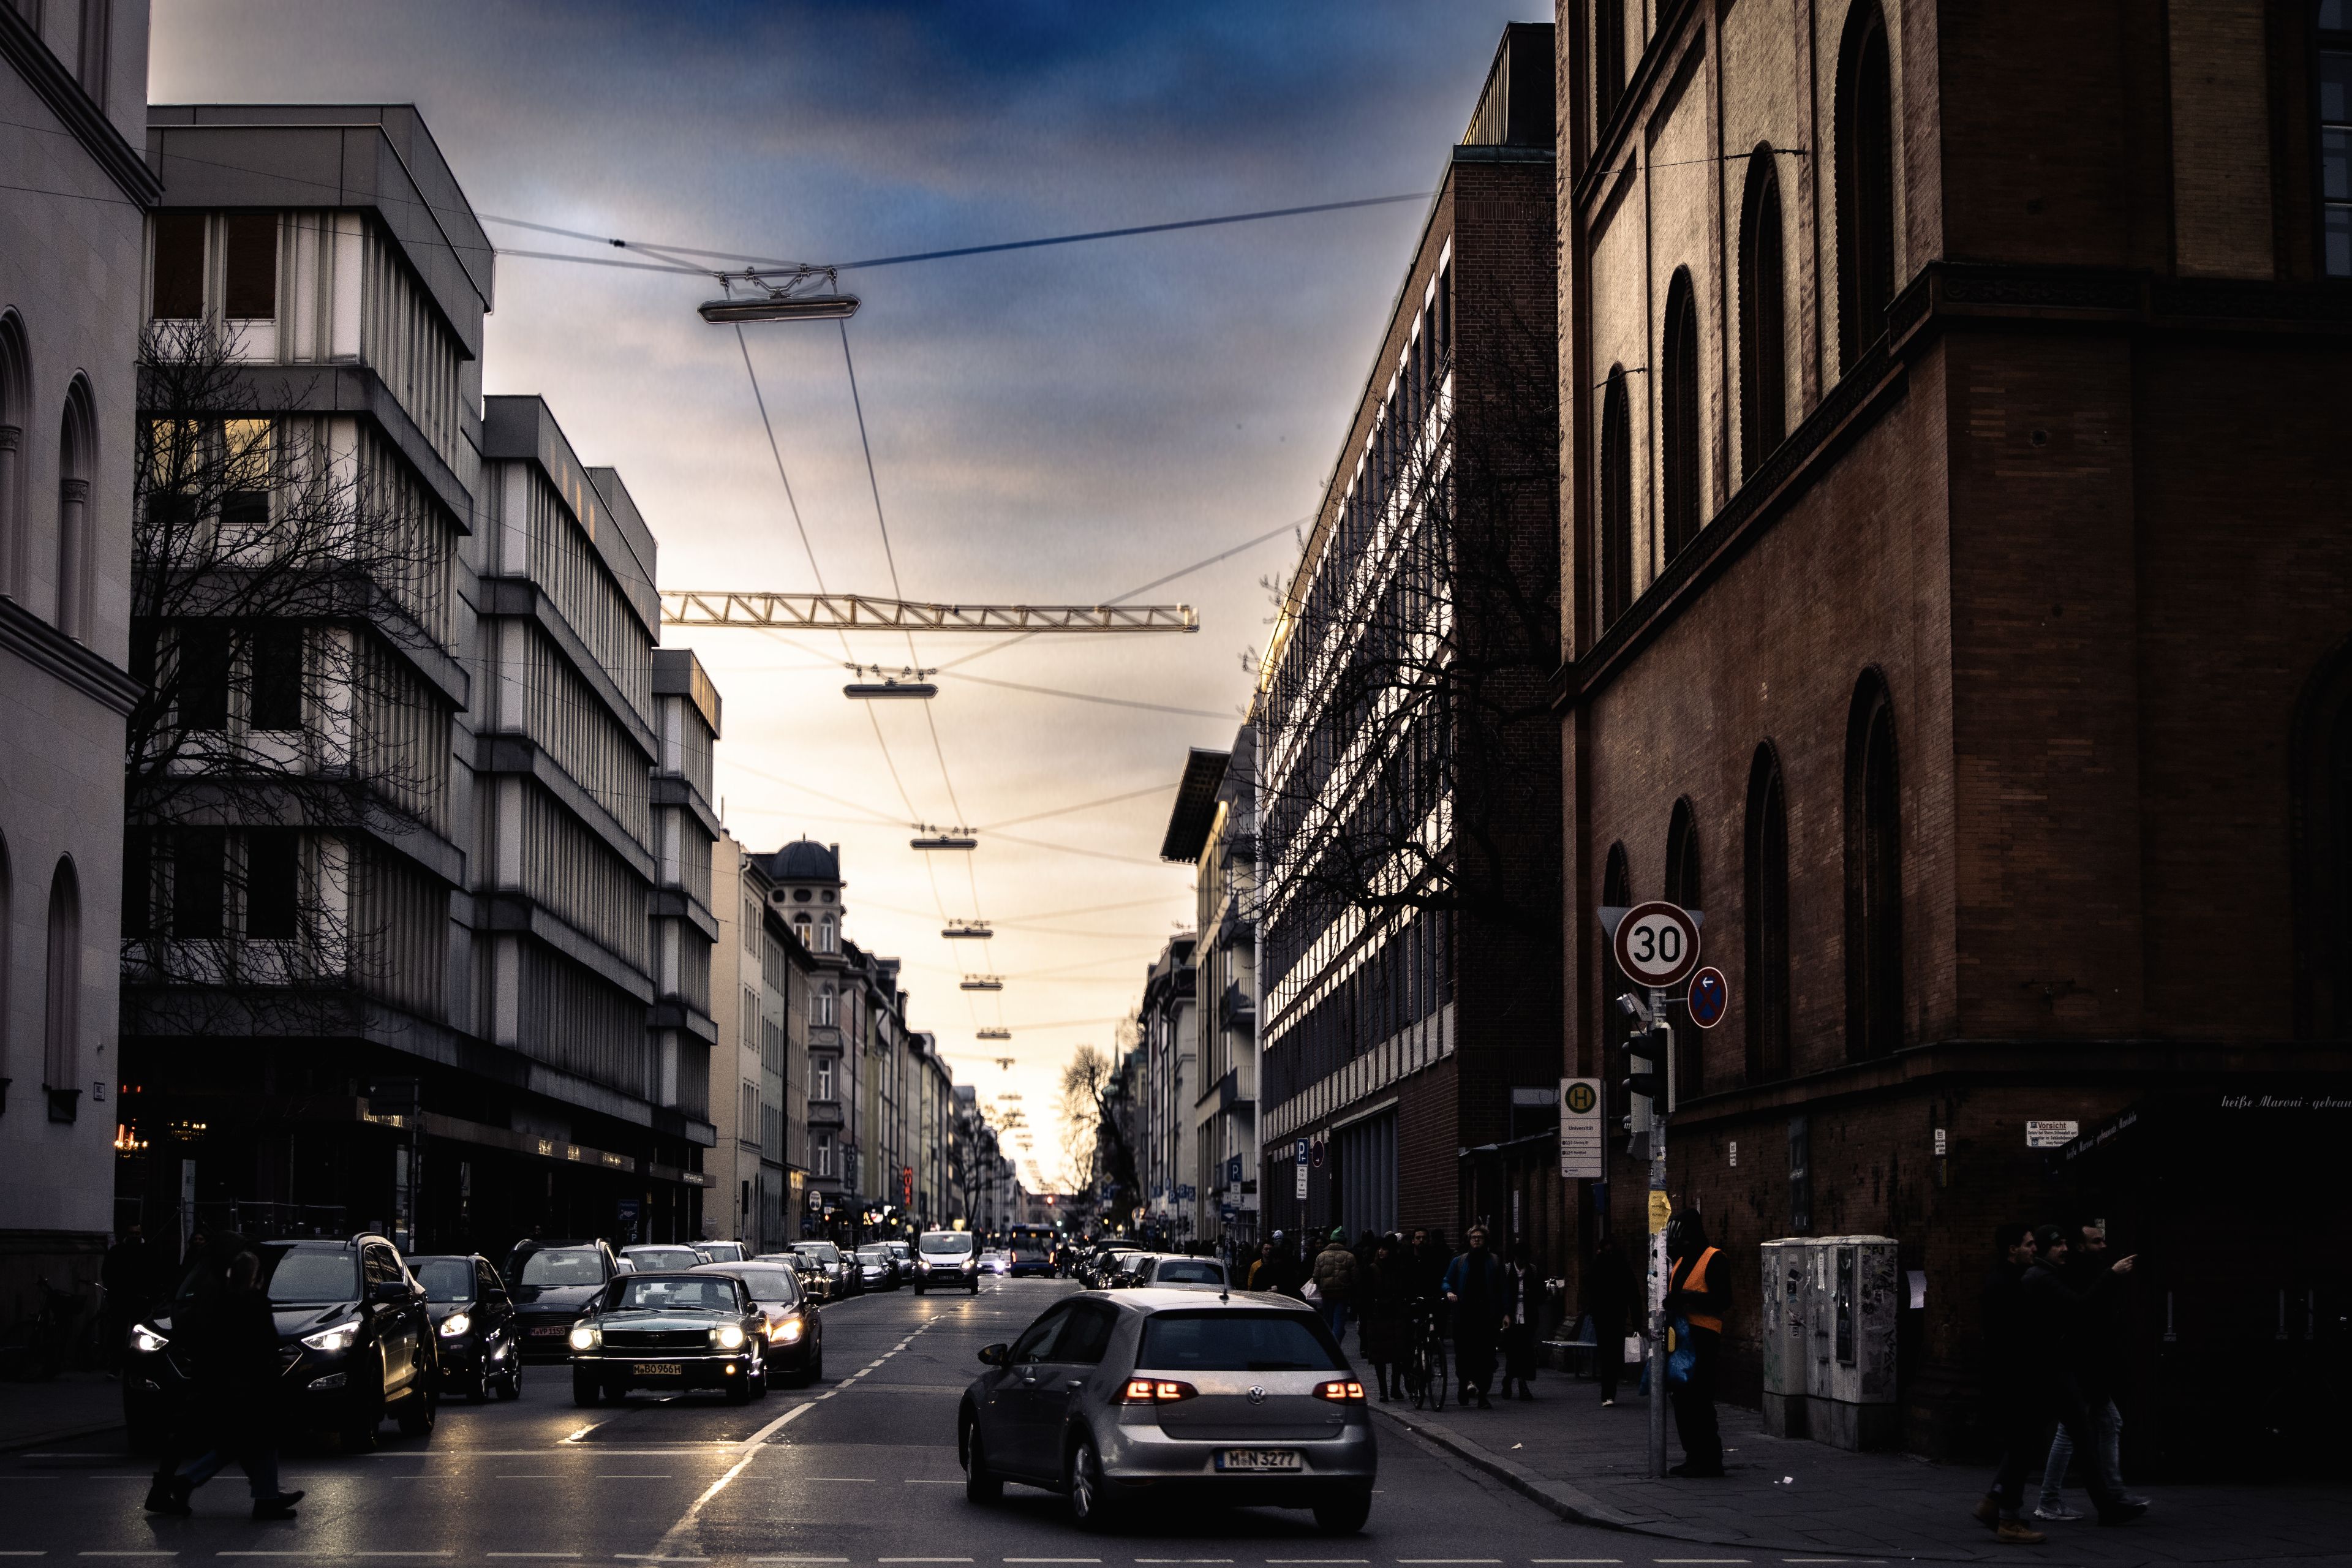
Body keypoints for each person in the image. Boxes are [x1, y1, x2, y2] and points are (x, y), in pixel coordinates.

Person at [152, 1251, 303, 1521]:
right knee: (258, 1441)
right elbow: (267, 1347)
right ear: (256, 1276)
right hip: (254, 1386)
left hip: (224, 1384)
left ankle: (261, 1495)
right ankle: (261, 1497)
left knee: (239, 1442)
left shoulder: (220, 1303)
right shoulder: (257, 1303)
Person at [2017, 1227, 2143, 1528]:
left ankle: (2109, 1498)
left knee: (2098, 1426)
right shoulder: (2052, 1276)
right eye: (2056, 1244)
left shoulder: (2056, 1273)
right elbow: (2081, 1309)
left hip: (2076, 1366)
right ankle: (2052, 1500)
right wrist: (2111, 1275)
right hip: (2074, 1367)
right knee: (2069, 1433)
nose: (2104, 1245)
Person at [1972, 1223, 2048, 1544]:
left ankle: (1994, 1503)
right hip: (2012, 1381)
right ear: (2012, 1249)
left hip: (2012, 1378)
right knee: (2021, 1447)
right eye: (2029, 1244)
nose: (2034, 1249)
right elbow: (2010, 1340)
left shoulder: (2010, 1280)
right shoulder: (2004, 1284)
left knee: (2022, 1446)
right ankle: (2008, 1518)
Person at [1661, 1212, 1725, 1477]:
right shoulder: (1681, 1261)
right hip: (1681, 1337)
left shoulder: (1715, 1258)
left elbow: (1723, 1301)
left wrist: (1686, 1299)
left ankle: (1710, 1458)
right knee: (1682, 1398)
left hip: (1704, 1338)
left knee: (1699, 1398)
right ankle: (1693, 1455)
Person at [1442, 1225, 1507, 1409]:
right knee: (1464, 1355)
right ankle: (1464, 1385)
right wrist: (1449, 1292)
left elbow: (1503, 1289)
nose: (1477, 1240)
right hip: (1464, 1316)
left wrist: (1506, 1313)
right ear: (1469, 1241)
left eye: (1480, 1237)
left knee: (1486, 1356)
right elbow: (1447, 1280)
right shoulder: (1460, 1261)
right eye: (1473, 1237)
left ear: (1486, 1240)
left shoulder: (1494, 1261)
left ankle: (1483, 1395)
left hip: (1487, 1316)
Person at [1581, 1235, 1637, 1408]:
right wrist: (1636, 1321)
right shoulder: (1622, 1266)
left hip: (1603, 1318)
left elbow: (1588, 1284)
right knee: (1612, 1354)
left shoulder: (1598, 1265)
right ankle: (1610, 1391)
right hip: (1616, 1316)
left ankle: (1607, 1394)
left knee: (1606, 1355)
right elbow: (1633, 1294)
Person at [1357, 1235, 1412, 1402]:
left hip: (1394, 1314)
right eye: (1380, 1249)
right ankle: (1384, 1391)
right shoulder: (1372, 1269)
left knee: (1397, 1354)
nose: (1381, 1251)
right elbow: (1363, 1295)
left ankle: (1395, 1388)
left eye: (1385, 1249)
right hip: (1378, 1315)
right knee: (1380, 1355)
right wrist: (1364, 1316)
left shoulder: (1399, 1268)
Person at [100, 1224, 153, 1373]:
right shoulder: (117, 1252)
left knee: (140, 1335)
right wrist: (113, 1291)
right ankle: (116, 1365)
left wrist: (150, 1292)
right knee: (118, 1334)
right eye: (132, 1233)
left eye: (137, 1233)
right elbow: (108, 1272)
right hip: (121, 1299)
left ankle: (137, 1366)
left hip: (140, 1299)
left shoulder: (148, 1251)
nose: (134, 1236)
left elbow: (155, 1273)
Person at [1502, 1240, 1541, 1400]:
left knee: (1524, 1353)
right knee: (1513, 1353)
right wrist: (1504, 1313)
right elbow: (1502, 1293)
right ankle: (1517, 1383)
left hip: (1528, 1318)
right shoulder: (1506, 1270)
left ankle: (1513, 1381)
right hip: (1510, 1318)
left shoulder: (1533, 1270)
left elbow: (1539, 1294)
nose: (1522, 1262)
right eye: (1520, 1259)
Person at [1311, 1227, 1357, 1339]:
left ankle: (1329, 1344)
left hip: (1326, 1294)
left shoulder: (1321, 1256)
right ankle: (1336, 1345)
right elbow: (1355, 1278)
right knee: (1339, 1322)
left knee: (1328, 1321)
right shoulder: (1350, 1257)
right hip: (1343, 1294)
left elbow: (1316, 1277)